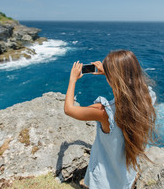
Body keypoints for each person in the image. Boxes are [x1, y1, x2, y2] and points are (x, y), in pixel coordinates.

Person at [64, 50, 157, 189]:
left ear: (112, 78)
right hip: (126, 174)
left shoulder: (105, 112)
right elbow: (135, 83)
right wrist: (109, 73)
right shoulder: (147, 97)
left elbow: (69, 109)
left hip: (105, 181)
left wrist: (72, 79)